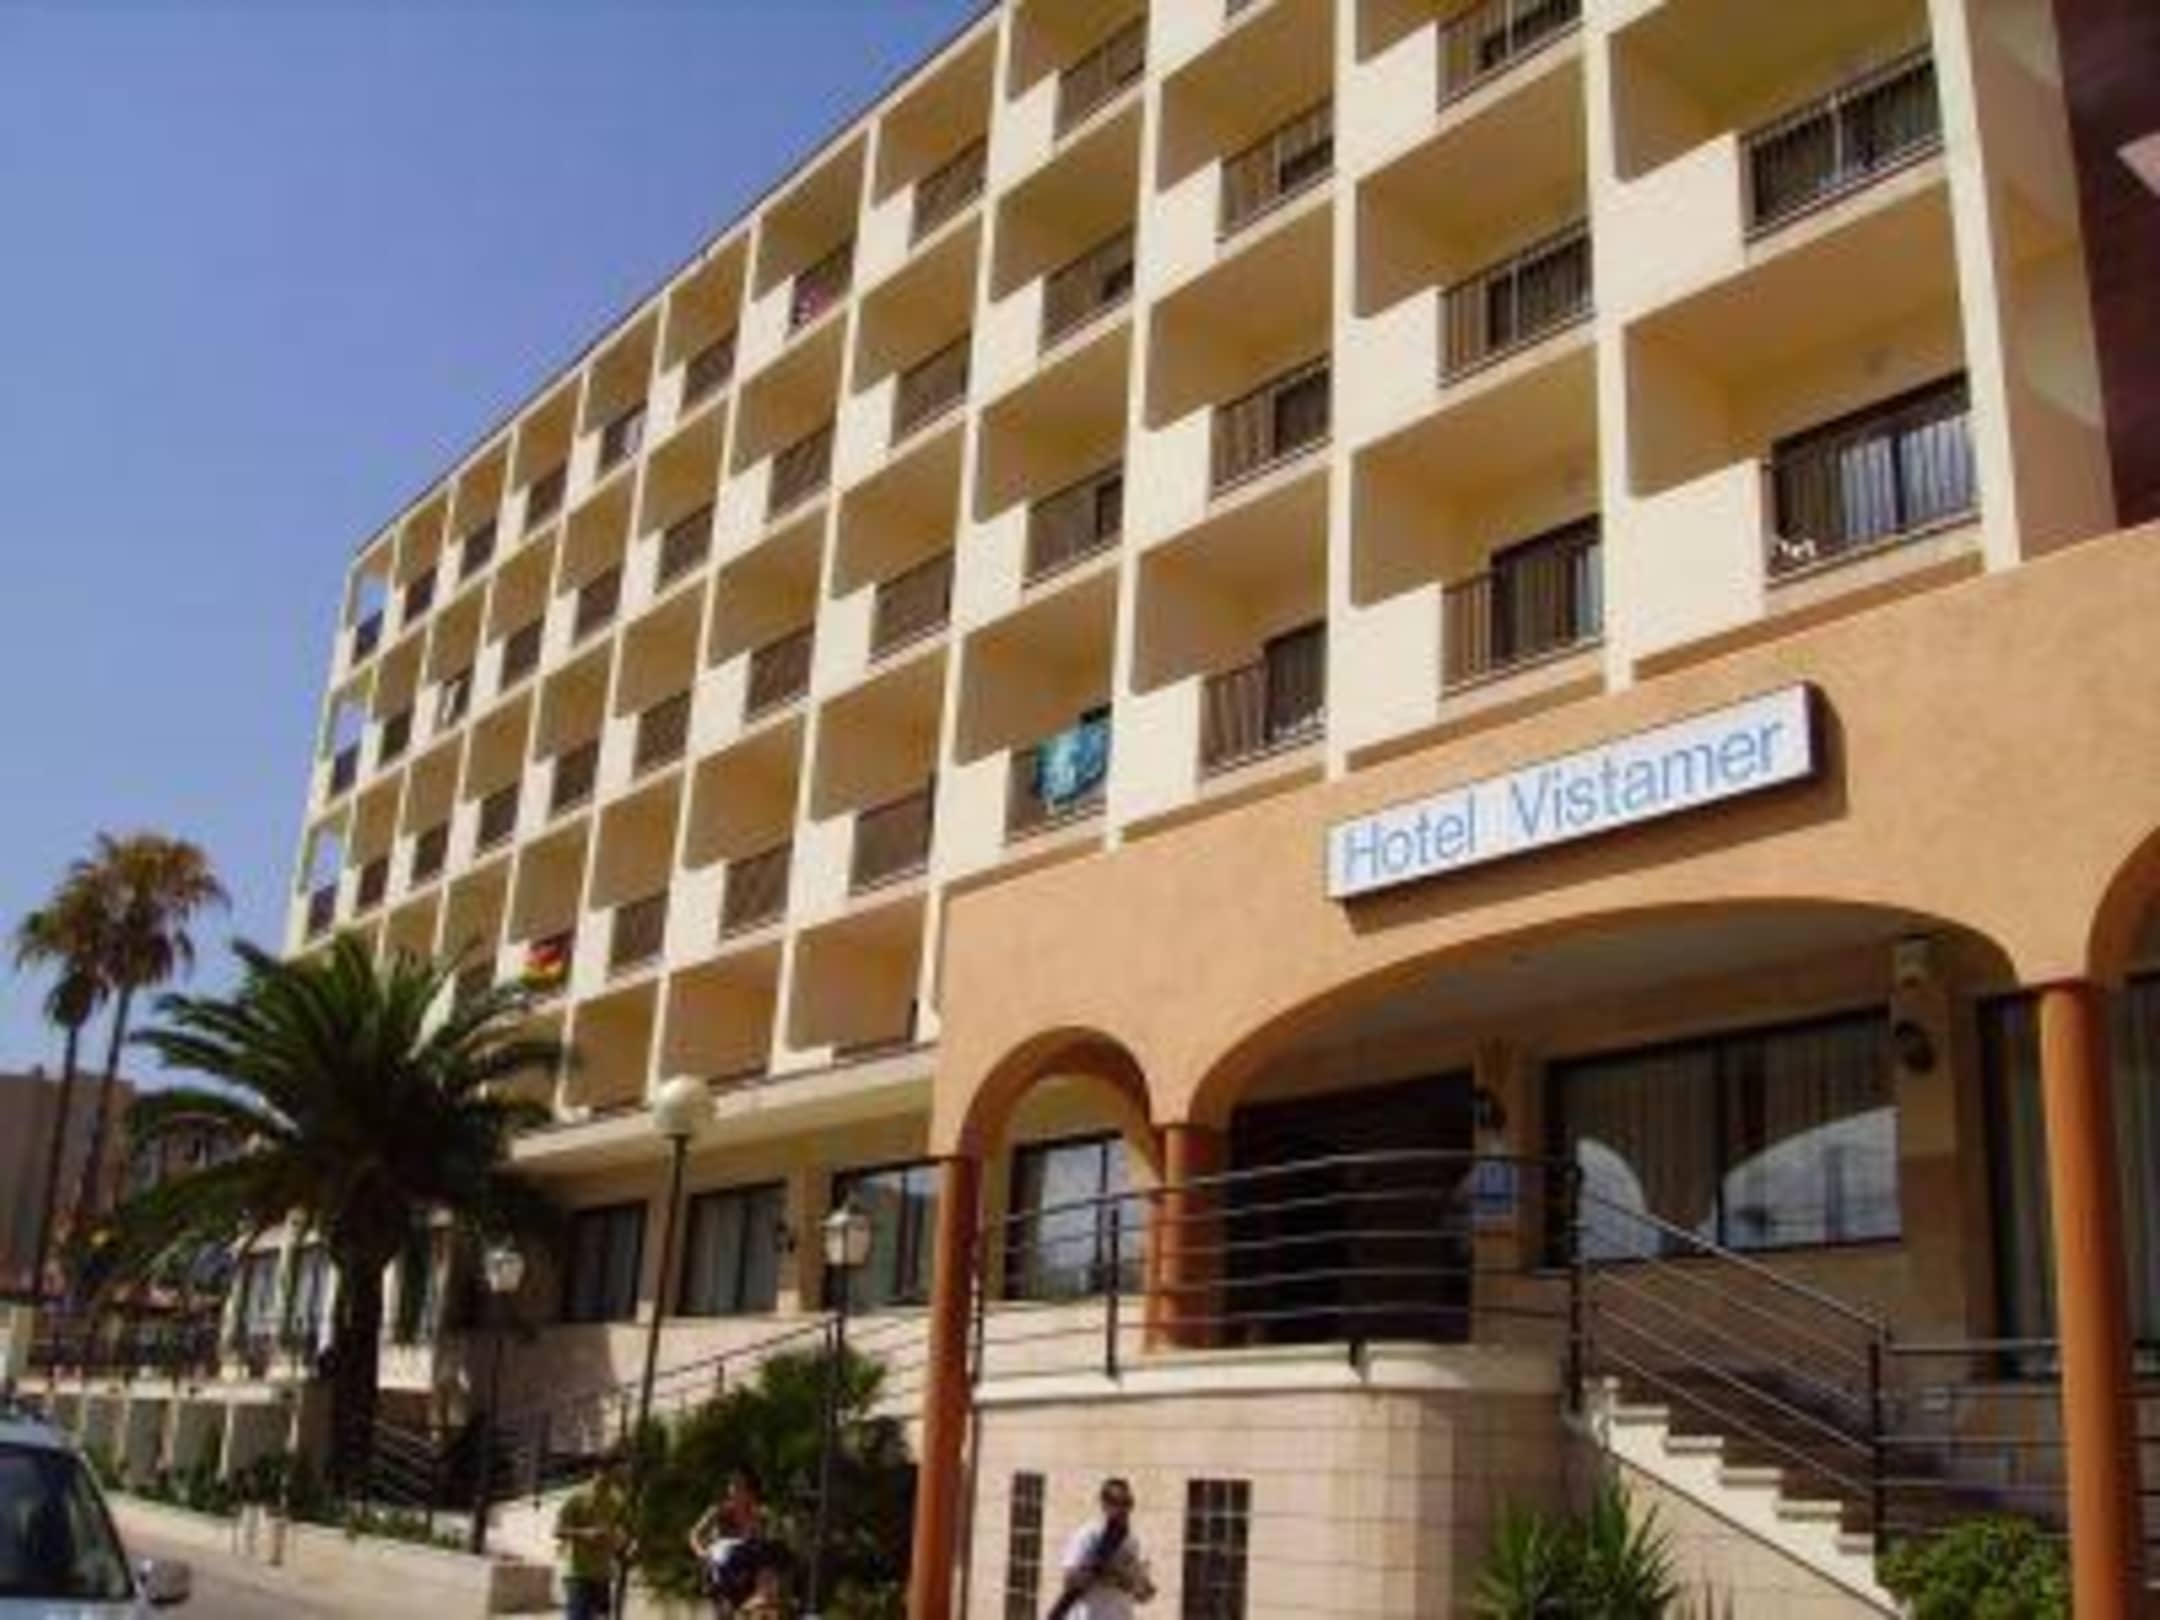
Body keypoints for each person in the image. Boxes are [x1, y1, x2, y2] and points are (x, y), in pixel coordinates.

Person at [1049, 1477, 1154, 1620]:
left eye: (1127, 1503)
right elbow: (1070, 1580)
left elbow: (1142, 1594)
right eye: (1116, 1503)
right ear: (1104, 1505)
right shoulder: (1089, 1535)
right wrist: (1109, 1573)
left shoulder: (1134, 1541)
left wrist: (1142, 1588)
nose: (1123, 1509)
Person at [555, 1453, 629, 1620]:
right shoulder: (577, 1497)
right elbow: (557, 1530)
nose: (622, 1477)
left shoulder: (616, 1500)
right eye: (618, 1472)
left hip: (603, 1574)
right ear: (601, 1471)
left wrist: (622, 1540)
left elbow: (620, 1530)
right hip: (578, 1574)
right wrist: (585, 1533)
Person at [688, 1468, 769, 1617]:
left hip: (746, 1566)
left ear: (750, 1493)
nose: (735, 1491)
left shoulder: (756, 1514)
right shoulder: (718, 1511)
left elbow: (760, 1541)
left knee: (767, 1555)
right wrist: (702, 1553)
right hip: (722, 1565)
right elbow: (694, 1534)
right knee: (724, 1611)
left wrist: (755, 1528)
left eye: (740, 1487)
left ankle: (762, 1594)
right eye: (733, 1486)